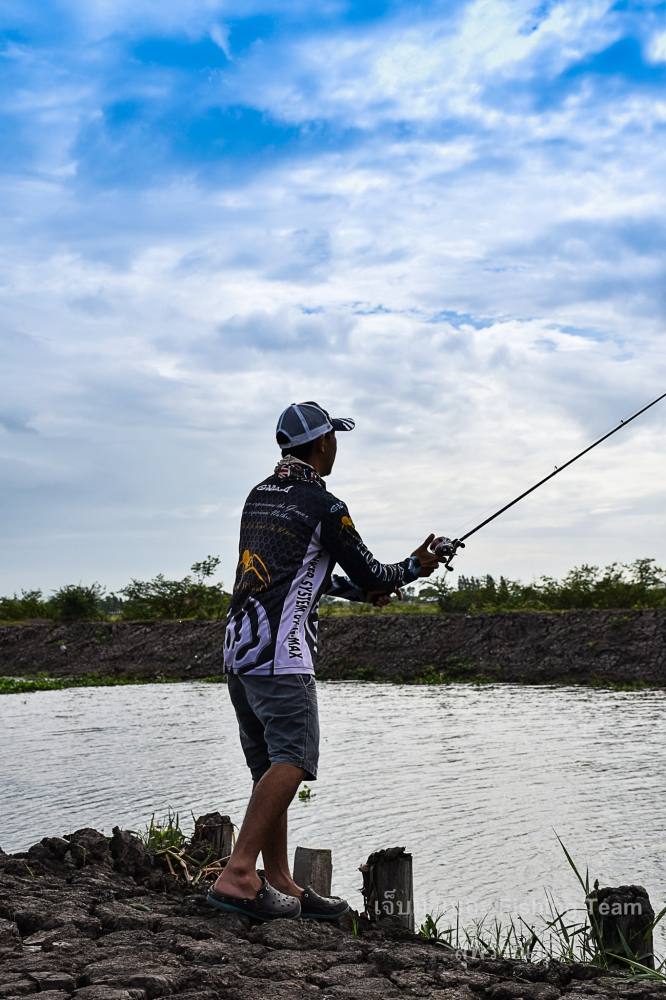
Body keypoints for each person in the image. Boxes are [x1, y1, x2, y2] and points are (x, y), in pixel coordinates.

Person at [207, 401, 440, 921]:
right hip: (283, 659)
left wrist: (360, 594)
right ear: (322, 444)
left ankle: (281, 880)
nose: (336, 446)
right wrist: (419, 565)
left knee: (268, 767)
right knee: (292, 760)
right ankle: (240, 874)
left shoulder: (259, 496)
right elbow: (378, 572)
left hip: (238, 655)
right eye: (333, 437)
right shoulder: (325, 505)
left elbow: (298, 574)